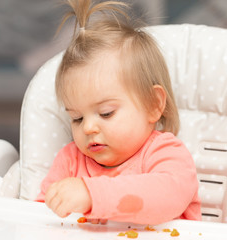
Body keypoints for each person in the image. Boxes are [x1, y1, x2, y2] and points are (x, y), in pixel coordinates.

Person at [36, 0, 201, 225]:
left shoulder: (165, 154)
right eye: (77, 118)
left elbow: (166, 196)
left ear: (153, 104)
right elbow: (39, 219)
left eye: (106, 113)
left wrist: (91, 195)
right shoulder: (70, 161)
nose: (88, 127)